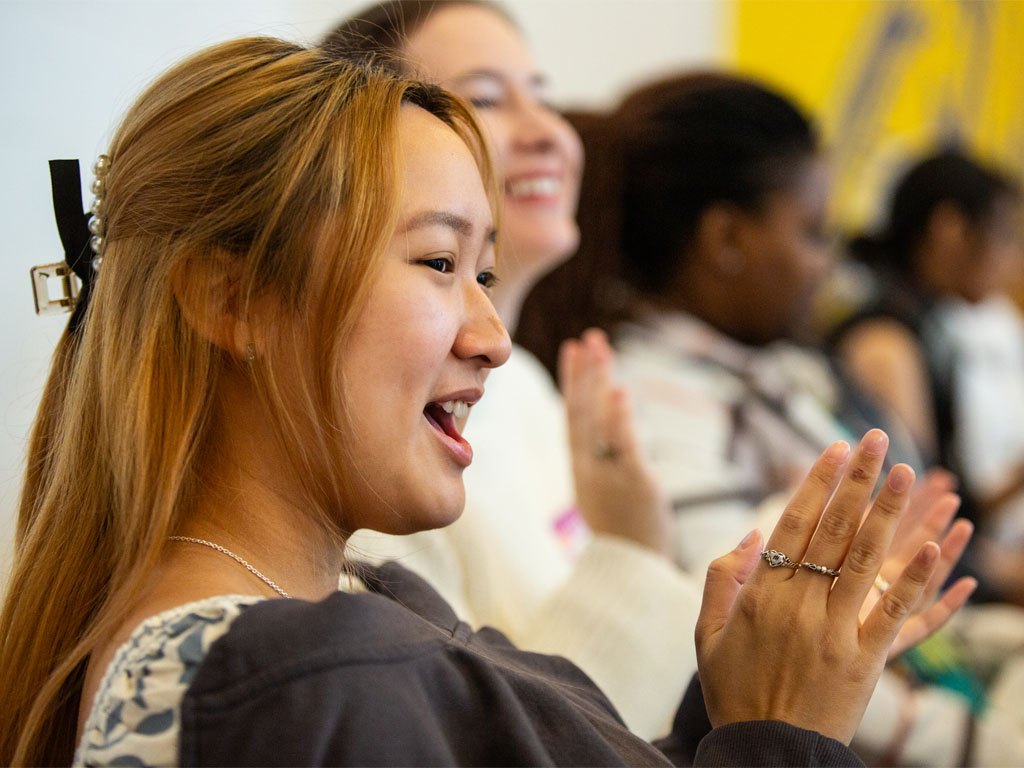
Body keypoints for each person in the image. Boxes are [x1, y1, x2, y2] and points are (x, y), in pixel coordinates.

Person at [0, 36, 953, 768]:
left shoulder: (357, 616)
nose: (493, 337)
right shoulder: (283, 683)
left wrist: (751, 698)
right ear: (234, 298)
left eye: (486, 273)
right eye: (438, 262)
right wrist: (784, 734)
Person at [514, 73, 1023, 765]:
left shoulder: (782, 368)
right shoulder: (650, 399)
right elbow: (751, 640)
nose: (829, 263)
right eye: (813, 231)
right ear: (726, 238)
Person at [323, 0, 695, 739]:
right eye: (488, 97)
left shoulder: (524, 382)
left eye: (544, 95)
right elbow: (480, 738)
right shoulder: (370, 435)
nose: (551, 133)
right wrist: (631, 553)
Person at [830, 150, 1024, 604]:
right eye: (1007, 235)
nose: (1013, 258)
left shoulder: (928, 328)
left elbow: (939, 493)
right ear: (950, 228)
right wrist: (1002, 575)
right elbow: (907, 518)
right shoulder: (886, 344)